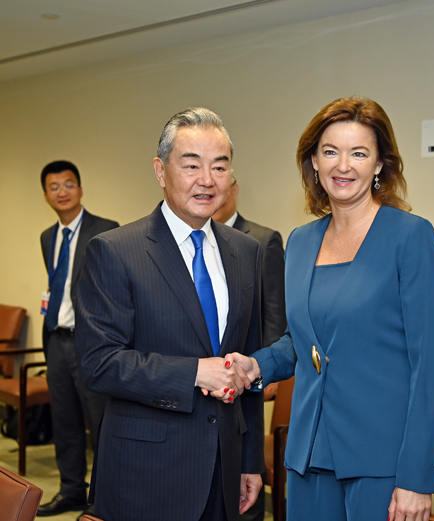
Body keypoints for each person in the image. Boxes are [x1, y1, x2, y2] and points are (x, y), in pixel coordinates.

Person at [228, 96, 434, 521]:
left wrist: (417, 477)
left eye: (359, 153)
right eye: (330, 151)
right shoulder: (301, 241)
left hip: (383, 460)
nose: (342, 165)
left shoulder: (411, 237)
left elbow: (431, 366)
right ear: (313, 160)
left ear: (380, 163)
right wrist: (253, 367)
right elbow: (304, 340)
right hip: (310, 451)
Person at [75, 107, 264, 521]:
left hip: (224, 467)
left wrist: (251, 459)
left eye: (219, 166)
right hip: (146, 473)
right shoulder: (115, 251)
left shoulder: (246, 252)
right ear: (161, 171)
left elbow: (246, 363)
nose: (206, 180)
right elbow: (98, 364)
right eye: (191, 164)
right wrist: (194, 372)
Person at [37, 160, 119, 517]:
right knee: (64, 421)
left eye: (69, 184)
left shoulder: (106, 231)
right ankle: (71, 489)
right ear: (46, 195)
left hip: (92, 345)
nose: (63, 192)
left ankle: (104, 499)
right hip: (56, 341)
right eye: (54, 187)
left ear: (80, 189)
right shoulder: (47, 237)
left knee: (101, 424)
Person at [213, 173, 286, 521]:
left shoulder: (261, 240)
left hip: (250, 368)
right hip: (206, 377)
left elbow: (274, 308)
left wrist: (266, 367)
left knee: (244, 452)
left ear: (235, 188)